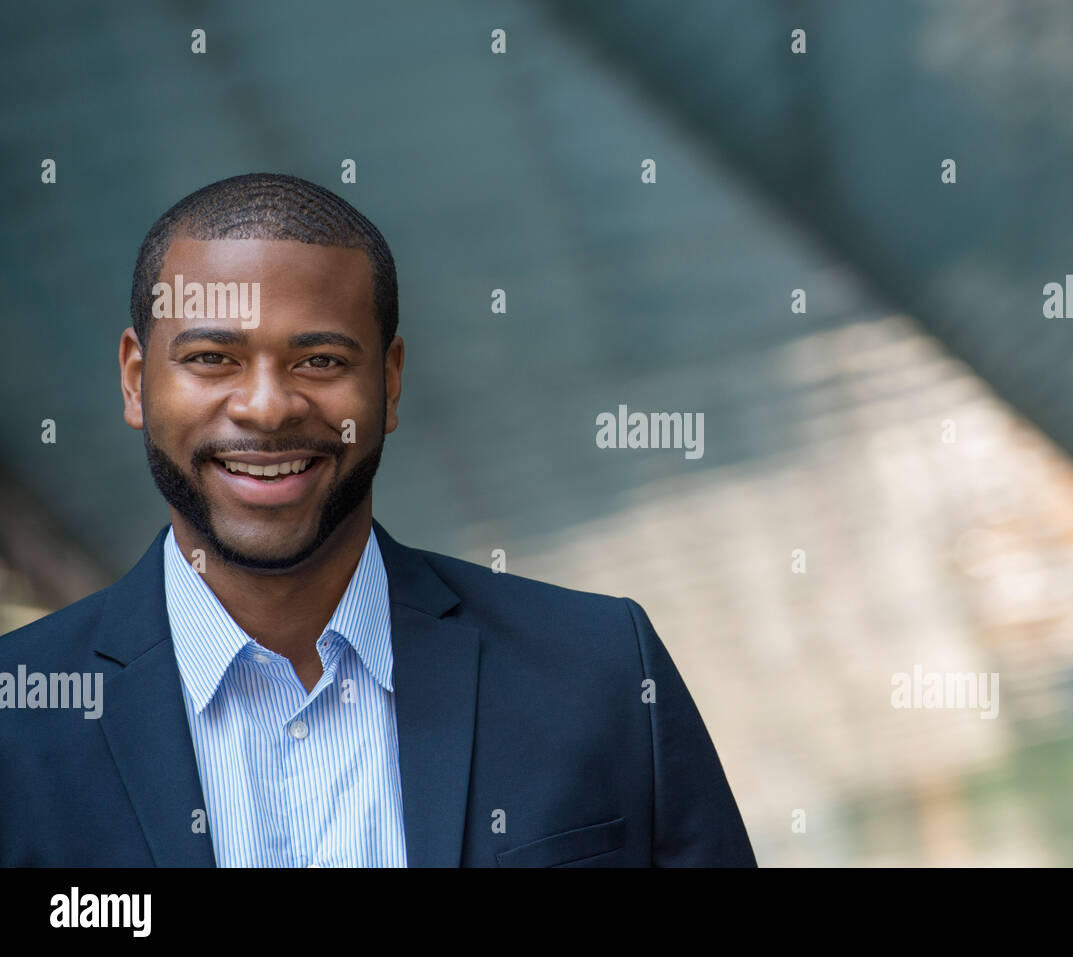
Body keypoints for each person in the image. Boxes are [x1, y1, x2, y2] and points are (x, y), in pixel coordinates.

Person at [0, 173, 755, 867]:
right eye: (211, 358)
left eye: (320, 360)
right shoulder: (20, 714)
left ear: (388, 383)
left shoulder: (602, 674)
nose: (266, 407)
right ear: (137, 379)